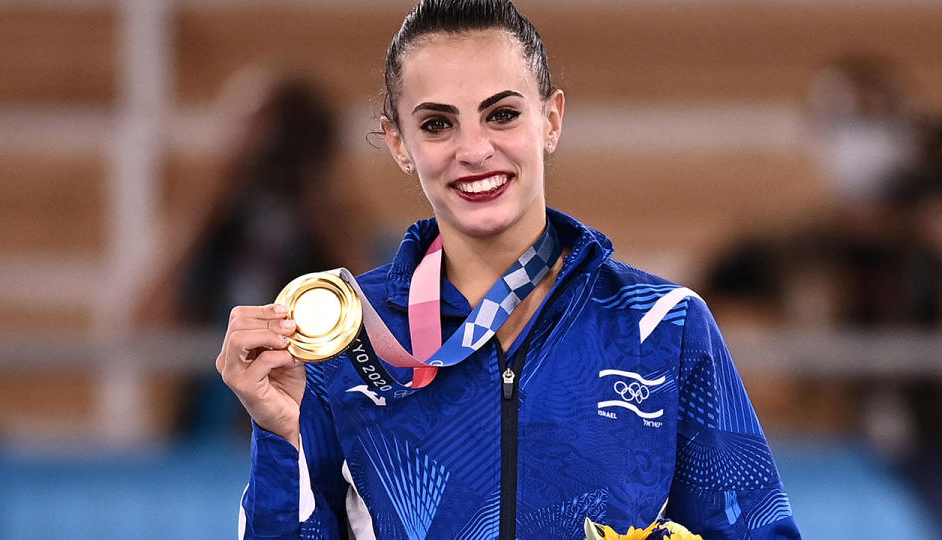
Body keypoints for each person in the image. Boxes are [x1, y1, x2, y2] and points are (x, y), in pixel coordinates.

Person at [216, 1, 801, 538]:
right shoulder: (347, 338)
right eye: (437, 123)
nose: (474, 150)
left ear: (551, 119)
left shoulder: (661, 326)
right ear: (398, 143)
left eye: (501, 114)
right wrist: (283, 436)